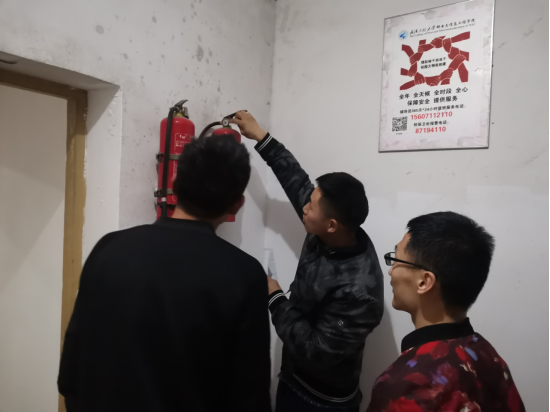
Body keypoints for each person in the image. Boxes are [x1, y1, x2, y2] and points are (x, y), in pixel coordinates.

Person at [58, 136, 272, 412]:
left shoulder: (108, 249)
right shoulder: (245, 276)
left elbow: (71, 373)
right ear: (237, 205)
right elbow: (250, 397)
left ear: (174, 184)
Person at [231, 112, 385, 412]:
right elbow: (295, 178)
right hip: (292, 378)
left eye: (311, 206)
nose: (304, 207)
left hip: (322, 401)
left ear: (331, 225)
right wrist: (260, 135)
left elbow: (316, 352)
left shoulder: (360, 292)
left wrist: (275, 297)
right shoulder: (330, 226)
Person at [367, 212, 526, 412]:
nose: (391, 271)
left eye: (396, 260)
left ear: (424, 282)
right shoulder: (488, 356)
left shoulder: (406, 385)